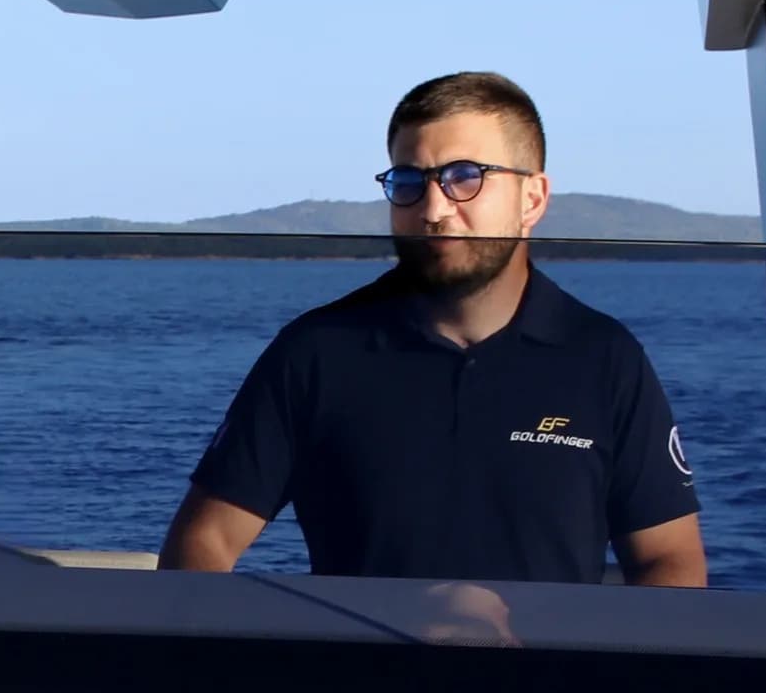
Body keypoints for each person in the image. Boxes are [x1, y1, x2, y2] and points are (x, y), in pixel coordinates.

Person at [159, 71, 706, 587]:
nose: (434, 208)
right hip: (368, 685)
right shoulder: (318, 352)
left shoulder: (604, 358)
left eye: (465, 177)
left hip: (543, 684)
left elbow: (669, 557)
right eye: (408, 181)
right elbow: (204, 538)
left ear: (532, 199)